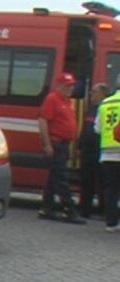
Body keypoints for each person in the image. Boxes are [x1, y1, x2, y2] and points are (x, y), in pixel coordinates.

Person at [38, 72, 85, 223]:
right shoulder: (53, 99)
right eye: (67, 86)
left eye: (71, 86)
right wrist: (47, 144)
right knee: (61, 178)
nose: (70, 88)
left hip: (64, 144)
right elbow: (43, 121)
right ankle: (69, 210)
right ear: (59, 85)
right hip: (55, 142)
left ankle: (47, 208)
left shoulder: (66, 101)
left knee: (53, 177)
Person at [79, 82, 108, 218]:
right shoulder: (90, 109)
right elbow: (85, 129)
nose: (91, 94)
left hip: (100, 150)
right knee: (86, 182)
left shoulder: (105, 108)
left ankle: (103, 210)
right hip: (87, 151)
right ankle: (85, 209)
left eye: (94, 91)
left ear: (102, 94)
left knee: (103, 183)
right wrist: (80, 146)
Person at [94, 84, 120, 231]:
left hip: (107, 154)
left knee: (111, 189)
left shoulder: (105, 103)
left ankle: (111, 223)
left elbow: (97, 129)